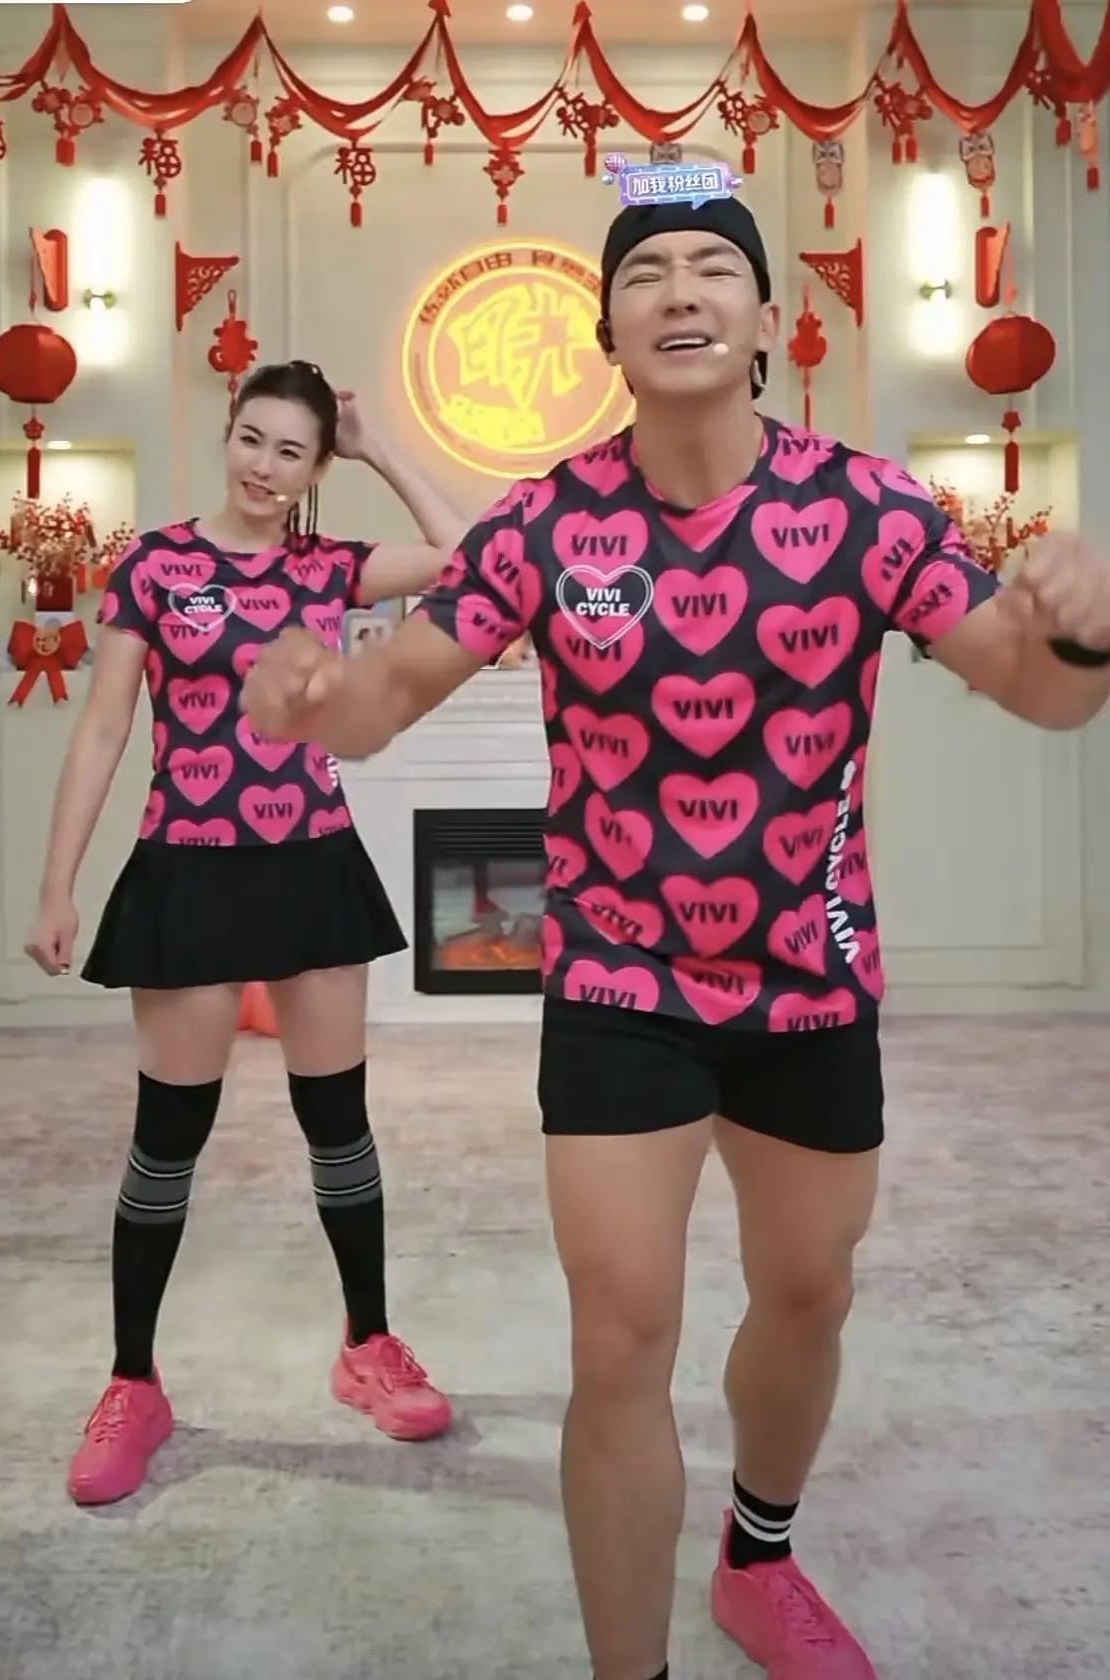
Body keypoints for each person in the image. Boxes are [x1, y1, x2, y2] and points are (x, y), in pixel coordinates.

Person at [240, 202, 1110, 1680]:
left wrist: (1083, 632)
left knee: (808, 1292)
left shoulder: (873, 509)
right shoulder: (542, 525)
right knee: (619, 1337)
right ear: (610, 335)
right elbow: (382, 705)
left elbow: (1045, 693)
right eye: (643, 272)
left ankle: (757, 1558)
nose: (680, 289)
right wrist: (314, 698)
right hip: (616, 984)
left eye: (716, 268)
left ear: (766, 322)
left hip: (811, 978)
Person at [24, 359, 466, 1508]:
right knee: (167, 1138)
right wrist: (59, 884)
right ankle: (134, 1383)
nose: (265, 468)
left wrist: (380, 447)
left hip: (311, 865)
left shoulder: (330, 568)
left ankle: (368, 1344)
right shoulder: (155, 566)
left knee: (339, 1124)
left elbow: (471, 560)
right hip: (187, 868)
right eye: (253, 440)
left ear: (317, 469)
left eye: (293, 452)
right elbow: (104, 727)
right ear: (228, 435)